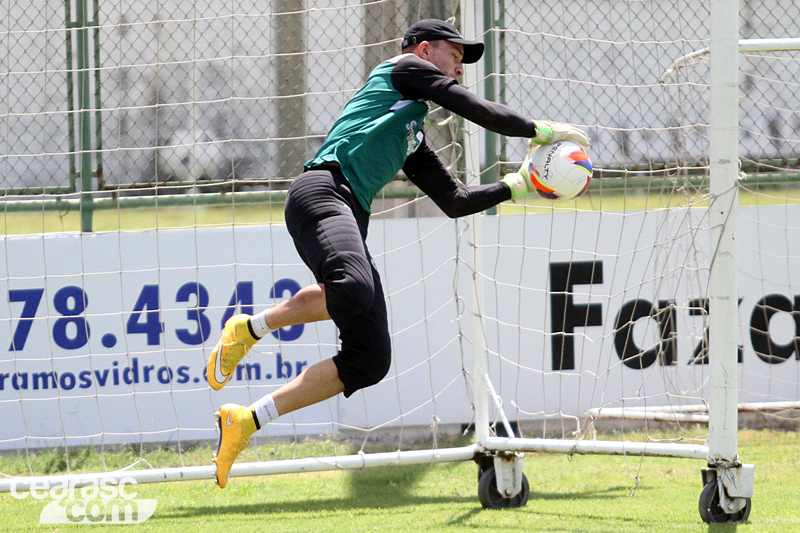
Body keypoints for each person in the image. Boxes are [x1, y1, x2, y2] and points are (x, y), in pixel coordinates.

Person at [207, 18, 590, 488]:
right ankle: (249, 328)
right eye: (456, 55)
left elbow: (455, 202)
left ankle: (246, 420)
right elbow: (477, 110)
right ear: (425, 50)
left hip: (343, 210)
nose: (460, 69)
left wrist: (519, 184)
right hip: (322, 193)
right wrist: (542, 129)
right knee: (353, 288)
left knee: (370, 360)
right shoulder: (403, 67)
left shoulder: (409, 132)